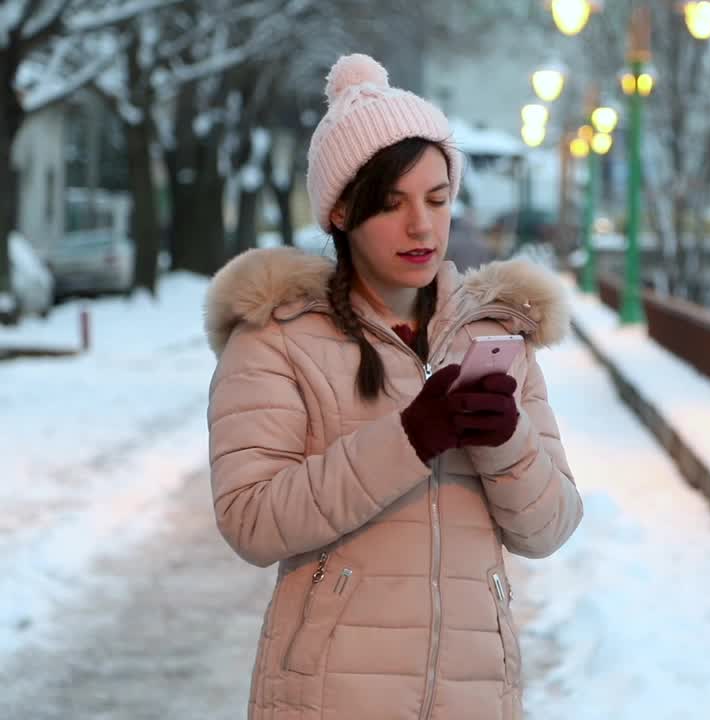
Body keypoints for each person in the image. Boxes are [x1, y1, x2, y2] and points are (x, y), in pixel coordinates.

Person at [203, 53, 582, 720]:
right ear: (342, 212)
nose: (422, 227)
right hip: (330, 698)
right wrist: (411, 437)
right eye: (392, 204)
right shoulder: (276, 337)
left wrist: (506, 441)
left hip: (475, 697)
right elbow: (252, 521)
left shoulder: (495, 338)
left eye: (437, 200)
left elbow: (547, 529)